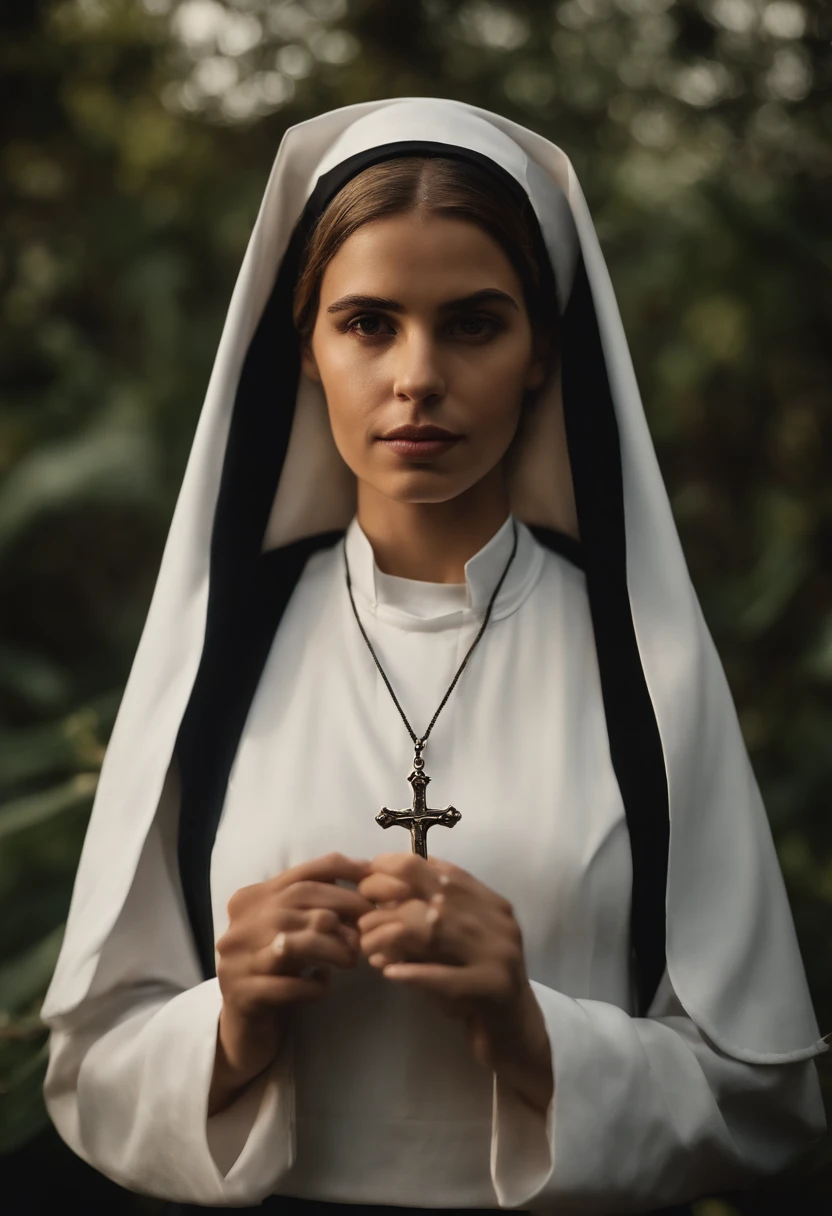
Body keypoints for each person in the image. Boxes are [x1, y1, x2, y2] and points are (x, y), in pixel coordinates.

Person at [41, 97, 826, 1215]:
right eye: (367, 322)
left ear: (542, 352)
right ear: (304, 347)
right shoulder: (222, 659)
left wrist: (528, 1023)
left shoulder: (638, 668)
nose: (416, 376)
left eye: (472, 323)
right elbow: (90, 1066)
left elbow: (768, 1103)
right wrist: (230, 1023)